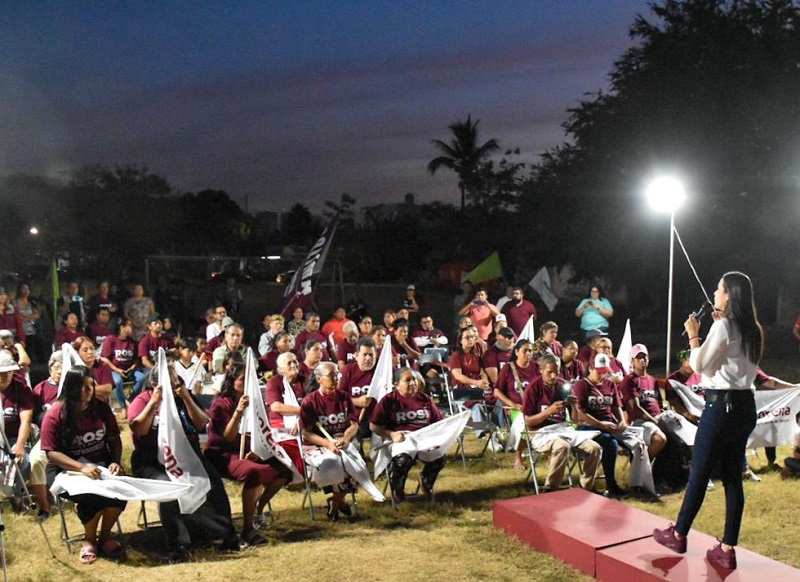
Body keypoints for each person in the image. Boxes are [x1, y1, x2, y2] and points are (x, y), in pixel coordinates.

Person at [654, 272, 764, 570]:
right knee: (731, 477)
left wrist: (694, 334)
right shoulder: (752, 328)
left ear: (729, 295)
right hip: (744, 408)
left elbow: (699, 365)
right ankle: (727, 548)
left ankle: (678, 535)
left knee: (699, 473)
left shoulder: (725, 326)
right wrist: (716, 329)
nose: (715, 293)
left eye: (718, 289)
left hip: (721, 408)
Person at [128, 365, 240, 560]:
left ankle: (225, 533)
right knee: (169, 487)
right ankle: (178, 544)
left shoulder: (183, 397)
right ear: (156, 384)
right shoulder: (143, 400)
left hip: (187, 454)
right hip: (153, 459)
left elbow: (201, 422)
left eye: (177, 381)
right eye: (171, 383)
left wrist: (186, 397)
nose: (176, 385)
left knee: (212, 481)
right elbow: (138, 429)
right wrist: (154, 403)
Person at [40, 366, 127, 564]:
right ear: (71, 388)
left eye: (90, 386)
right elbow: (51, 452)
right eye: (82, 387)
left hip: (100, 464)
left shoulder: (100, 407)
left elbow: (114, 437)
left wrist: (115, 461)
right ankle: (90, 540)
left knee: (120, 491)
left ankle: (105, 537)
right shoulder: (55, 413)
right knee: (91, 497)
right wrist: (81, 468)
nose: (88, 391)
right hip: (66, 469)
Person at [205, 364, 293, 546]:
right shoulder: (221, 404)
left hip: (247, 451)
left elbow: (261, 429)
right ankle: (247, 528)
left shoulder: (255, 402)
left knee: (284, 469)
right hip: (222, 453)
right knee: (254, 473)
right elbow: (227, 436)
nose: (245, 384)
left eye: (248, 380)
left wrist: (257, 449)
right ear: (231, 382)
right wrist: (238, 412)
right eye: (241, 380)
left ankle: (258, 510)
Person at [523, 355, 602, 492]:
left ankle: (586, 486)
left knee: (595, 448)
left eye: (557, 372)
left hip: (563, 429)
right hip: (541, 432)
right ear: (541, 370)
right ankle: (551, 489)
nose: (553, 376)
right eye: (549, 372)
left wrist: (574, 406)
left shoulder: (562, 385)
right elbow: (528, 421)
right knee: (562, 446)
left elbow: (575, 421)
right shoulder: (533, 388)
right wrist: (548, 411)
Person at [370, 367, 446, 502]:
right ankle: (397, 488)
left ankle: (426, 481)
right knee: (402, 460)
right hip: (399, 439)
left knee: (440, 457)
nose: (413, 383)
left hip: (422, 438)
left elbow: (437, 421)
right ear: (397, 385)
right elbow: (373, 425)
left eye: (414, 380)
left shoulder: (425, 399)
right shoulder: (388, 401)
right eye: (408, 380)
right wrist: (391, 435)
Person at [300, 361, 359, 519]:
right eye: (331, 375)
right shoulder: (310, 402)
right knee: (333, 463)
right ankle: (338, 503)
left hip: (342, 442)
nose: (336, 379)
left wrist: (346, 437)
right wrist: (327, 444)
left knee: (356, 467)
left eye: (337, 375)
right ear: (319, 378)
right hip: (318, 445)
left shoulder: (344, 397)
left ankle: (335, 503)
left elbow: (354, 424)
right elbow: (307, 433)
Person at [572, 353, 628, 498]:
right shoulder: (581, 386)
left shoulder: (610, 384)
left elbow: (617, 406)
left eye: (605, 372)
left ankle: (639, 482)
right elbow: (582, 414)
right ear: (591, 368)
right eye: (599, 372)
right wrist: (601, 425)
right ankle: (611, 483)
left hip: (608, 425)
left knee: (636, 443)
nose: (602, 376)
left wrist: (622, 421)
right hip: (588, 427)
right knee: (610, 443)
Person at [618, 344, 667, 461]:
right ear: (632, 361)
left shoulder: (652, 380)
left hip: (657, 418)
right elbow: (636, 409)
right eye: (638, 358)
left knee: (679, 435)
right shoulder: (630, 380)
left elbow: (659, 404)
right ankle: (641, 467)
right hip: (640, 422)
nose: (642, 360)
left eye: (644, 357)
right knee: (659, 439)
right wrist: (655, 421)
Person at [494, 339, 538, 470]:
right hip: (516, 409)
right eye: (525, 350)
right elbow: (497, 391)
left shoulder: (536, 367)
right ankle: (518, 456)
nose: (528, 353)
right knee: (523, 422)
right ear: (517, 352)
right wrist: (512, 403)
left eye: (530, 350)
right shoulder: (508, 368)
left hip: (535, 407)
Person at [30, 351, 62, 518]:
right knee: (35, 460)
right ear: (50, 369)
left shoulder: (72, 387)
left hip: (71, 439)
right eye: (57, 368)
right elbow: (33, 414)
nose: (60, 371)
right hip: (48, 438)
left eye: (63, 368)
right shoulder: (41, 388)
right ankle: (44, 506)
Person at [0, 352, 34, 501]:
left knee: (24, 460)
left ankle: (18, 495)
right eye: (2, 372)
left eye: (9, 371)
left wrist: (20, 445)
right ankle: (6, 493)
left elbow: (26, 419)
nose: (5, 375)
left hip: (15, 435)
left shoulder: (21, 388)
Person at [101, 319, 145, 413]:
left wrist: (133, 367)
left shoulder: (132, 342)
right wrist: (116, 369)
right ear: (122, 327)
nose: (132, 328)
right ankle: (123, 406)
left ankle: (130, 400)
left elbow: (137, 359)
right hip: (113, 370)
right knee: (118, 381)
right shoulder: (111, 339)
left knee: (142, 378)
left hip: (129, 370)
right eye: (130, 326)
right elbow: (104, 358)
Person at [337, 338, 377, 438]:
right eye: (364, 354)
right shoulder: (347, 371)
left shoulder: (381, 371)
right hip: (355, 419)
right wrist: (356, 401)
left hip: (377, 419)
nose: (368, 358)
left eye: (371, 355)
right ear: (356, 356)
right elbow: (338, 398)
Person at [74, 336, 115, 403]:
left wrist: (84, 391)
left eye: (92, 348)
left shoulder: (103, 365)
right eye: (85, 350)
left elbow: (108, 388)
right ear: (77, 352)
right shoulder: (74, 369)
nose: (90, 352)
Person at [13, 283, 40, 360]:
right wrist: (29, 317)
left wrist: (23, 316)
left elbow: (37, 315)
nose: (26, 291)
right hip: (19, 331)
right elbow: (16, 314)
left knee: (30, 353)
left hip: (31, 331)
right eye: (23, 289)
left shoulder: (31, 303)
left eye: (27, 289)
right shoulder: (15, 302)